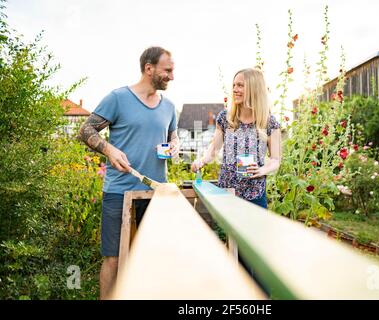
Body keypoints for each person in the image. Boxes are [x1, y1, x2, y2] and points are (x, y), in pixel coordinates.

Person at [78, 46, 179, 299]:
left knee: (149, 258)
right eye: (167, 70)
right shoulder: (118, 98)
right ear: (149, 68)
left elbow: (172, 135)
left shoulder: (169, 107)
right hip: (118, 192)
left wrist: (175, 145)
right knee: (113, 258)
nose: (172, 76)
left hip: (155, 193)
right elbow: (86, 130)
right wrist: (109, 150)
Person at [191, 68, 281, 208]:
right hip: (227, 192)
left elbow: (276, 159)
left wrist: (262, 170)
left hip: (255, 194)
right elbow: (214, 149)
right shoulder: (226, 118)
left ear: (253, 88)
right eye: (234, 85)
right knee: (225, 230)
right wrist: (201, 161)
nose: (235, 89)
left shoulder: (269, 122)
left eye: (240, 85)